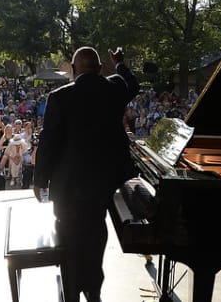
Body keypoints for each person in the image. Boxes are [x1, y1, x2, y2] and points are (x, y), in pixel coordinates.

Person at [33, 46, 139, 302]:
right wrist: (120, 63)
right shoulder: (114, 89)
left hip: (67, 184)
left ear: (72, 68)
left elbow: (49, 142)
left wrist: (39, 180)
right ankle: (93, 288)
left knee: (68, 232)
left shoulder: (60, 97)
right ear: (101, 68)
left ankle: (72, 289)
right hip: (103, 182)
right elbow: (132, 84)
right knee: (94, 231)